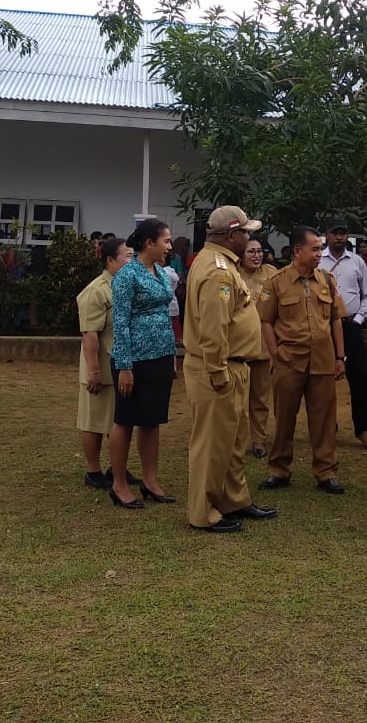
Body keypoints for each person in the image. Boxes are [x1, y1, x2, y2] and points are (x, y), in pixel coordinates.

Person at [183, 206, 278, 533]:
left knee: (234, 441)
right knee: (212, 444)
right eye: (246, 232)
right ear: (230, 235)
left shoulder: (217, 263)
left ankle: (233, 499)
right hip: (219, 369)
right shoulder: (219, 271)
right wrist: (219, 372)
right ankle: (204, 513)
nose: (250, 238)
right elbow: (214, 328)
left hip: (235, 366)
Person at [259, 225, 349, 495]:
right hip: (289, 361)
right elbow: (265, 321)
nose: (319, 253)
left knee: (323, 419)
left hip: (322, 361)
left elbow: (336, 321)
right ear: (297, 251)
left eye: (320, 248)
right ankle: (279, 470)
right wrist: (276, 355)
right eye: (315, 248)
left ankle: (326, 472)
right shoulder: (276, 281)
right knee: (284, 418)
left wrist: (340, 356)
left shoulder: (327, 280)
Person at [108, 219, 178, 509]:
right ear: (149, 243)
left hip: (160, 355)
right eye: (166, 241)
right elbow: (120, 321)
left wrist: (171, 356)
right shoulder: (127, 276)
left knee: (152, 420)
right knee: (125, 420)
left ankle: (150, 480)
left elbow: (166, 313)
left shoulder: (161, 272)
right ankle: (120, 483)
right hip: (134, 359)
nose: (170, 246)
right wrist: (125, 365)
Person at [75, 236, 134, 490]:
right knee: (95, 422)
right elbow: (90, 333)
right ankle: (93, 470)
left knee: (117, 421)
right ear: (111, 260)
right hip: (100, 367)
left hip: (120, 366)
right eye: (127, 256)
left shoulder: (123, 285)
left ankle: (117, 468)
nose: (131, 261)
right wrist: (94, 371)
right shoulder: (96, 290)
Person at [319, 216, 367, 448]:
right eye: (335, 233)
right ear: (327, 235)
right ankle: (326, 425)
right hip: (324, 326)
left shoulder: (357, 262)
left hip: (351, 325)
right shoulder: (318, 261)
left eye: (343, 233)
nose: (339, 237)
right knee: (323, 377)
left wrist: (360, 318)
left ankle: (362, 428)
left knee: (360, 377)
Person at [239, 236, 279, 458]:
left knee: (260, 397)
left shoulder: (271, 274)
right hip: (240, 345)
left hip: (264, 345)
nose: (256, 255)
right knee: (239, 398)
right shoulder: (234, 274)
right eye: (250, 251)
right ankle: (238, 439)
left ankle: (258, 440)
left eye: (259, 251)